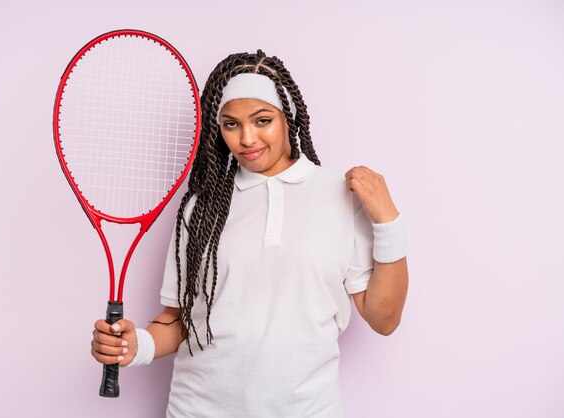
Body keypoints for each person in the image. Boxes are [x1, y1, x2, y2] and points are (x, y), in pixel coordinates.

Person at [90, 49, 409, 417]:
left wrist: (388, 220)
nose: (246, 139)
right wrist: (136, 345)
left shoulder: (343, 195)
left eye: (262, 120)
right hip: (198, 408)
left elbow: (384, 319)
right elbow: (178, 319)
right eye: (231, 124)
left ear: (287, 118)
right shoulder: (204, 207)